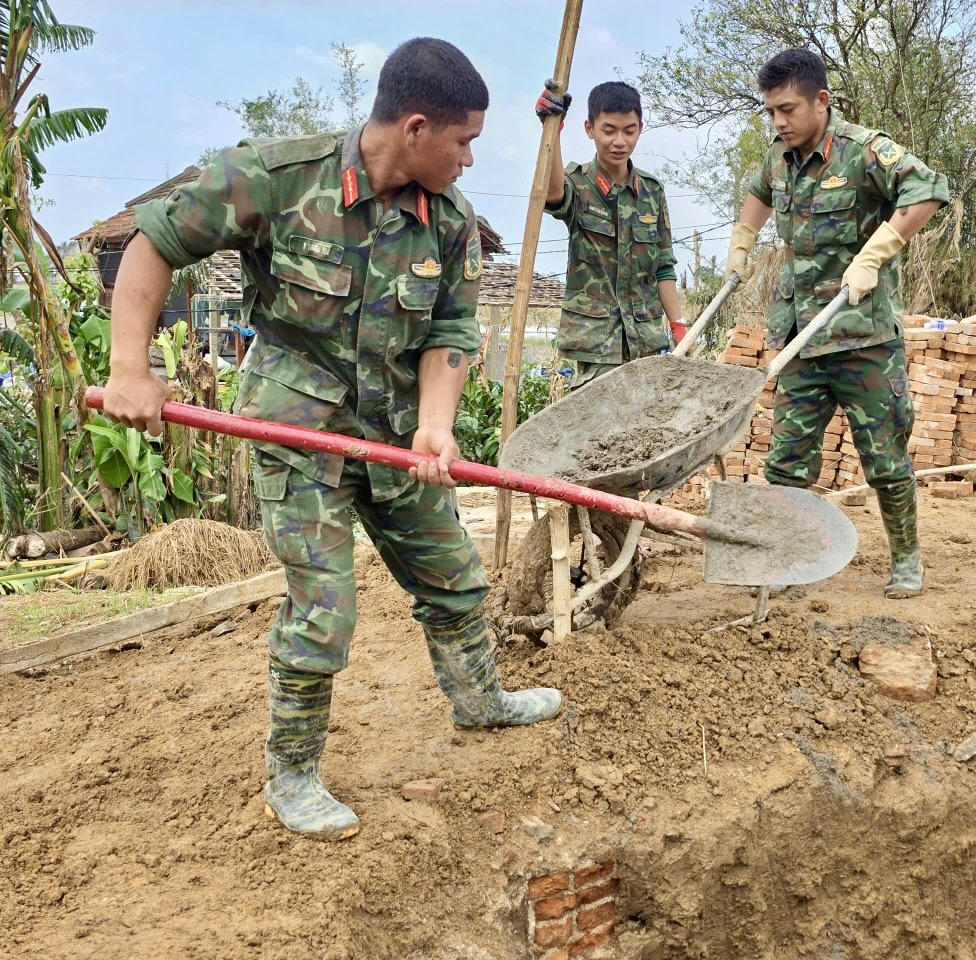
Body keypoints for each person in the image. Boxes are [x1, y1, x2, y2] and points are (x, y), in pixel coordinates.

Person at [101, 38, 562, 842]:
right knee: (326, 608)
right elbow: (154, 244)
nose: (469, 159)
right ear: (416, 128)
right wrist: (129, 366)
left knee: (452, 572)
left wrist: (437, 423)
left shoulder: (449, 222)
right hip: (297, 429)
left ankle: (480, 701)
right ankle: (293, 770)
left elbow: (451, 328)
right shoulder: (275, 177)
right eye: (465, 141)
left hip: (395, 434)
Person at [724, 48, 949, 598]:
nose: (779, 121)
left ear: (821, 101)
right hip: (801, 341)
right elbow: (758, 193)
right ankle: (784, 561)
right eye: (771, 111)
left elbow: (929, 188)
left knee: (885, 458)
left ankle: (906, 560)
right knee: (786, 462)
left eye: (788, 109)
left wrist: (878, 252)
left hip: (862, 338)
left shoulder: (862, 152)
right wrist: (742, 241)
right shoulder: (779, 157)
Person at [535, 80, 684, 389]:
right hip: (597, 344)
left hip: (646, 342)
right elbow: (552, 194)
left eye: (629, 131)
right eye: (609, 130)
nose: (619, 141)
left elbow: (664, 267)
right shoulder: (578, 185)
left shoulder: (652, 192)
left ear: (640, 128)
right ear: (589, 129)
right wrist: (552, 130)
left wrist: (679, 325)